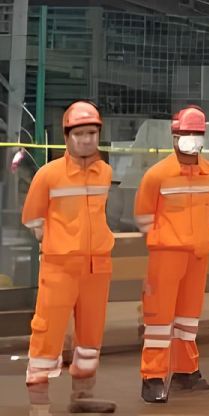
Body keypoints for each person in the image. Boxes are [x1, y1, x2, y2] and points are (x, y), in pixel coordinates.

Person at [22, 101, 117, 415]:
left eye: (92, 132)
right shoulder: (49, 175)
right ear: (67, 136)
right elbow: (34, 220)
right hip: (60, 266)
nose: (87, 139)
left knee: (90, 337)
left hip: (97, 266)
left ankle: (83, 397)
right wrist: (58, 244)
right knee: (48, 332)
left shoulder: (105, 172)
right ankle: (40, 404)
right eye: (80, 133)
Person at [134, 106, 209, 403]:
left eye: (197, 134)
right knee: (159, 318)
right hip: (167, 255)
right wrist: (162, 239)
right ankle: (153, 377)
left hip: (198, 253)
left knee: (188, 317)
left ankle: (186, 371)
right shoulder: (157, 175)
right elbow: (143, 215)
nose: (192, 139)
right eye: (186, 134)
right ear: (174, 136)